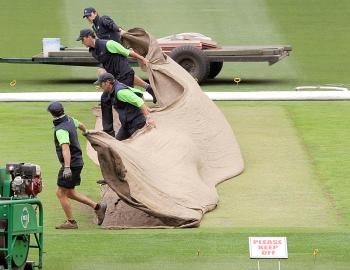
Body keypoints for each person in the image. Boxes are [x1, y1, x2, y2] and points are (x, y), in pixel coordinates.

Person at [76, 28, 156, 136]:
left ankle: (143, 119)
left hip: (125, 74)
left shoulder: (109, 44)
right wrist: (102, 82)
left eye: (82, 40)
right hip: (114, 78)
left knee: (125, 98)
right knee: (105, 98)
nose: (82, 42)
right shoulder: (93, 51)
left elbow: (127, 52)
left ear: (89, 37)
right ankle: (109, 130)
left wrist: (142, 58)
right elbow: (105, 64)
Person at [47, 101, 107, 229]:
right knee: (69, 192)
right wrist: (86, 132)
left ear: (52, 114)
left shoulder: (61, 130)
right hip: (77, 162)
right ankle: (98, 207)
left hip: (71, 164)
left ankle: (71, 222)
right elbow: (81, 124)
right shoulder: (69, 119)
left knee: (60, 193)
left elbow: (65, 148)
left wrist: (67, 167)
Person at [94, 72, 156, 140]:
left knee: (137, 145)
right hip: (126, 125)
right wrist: (146, 107)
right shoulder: (115, 88)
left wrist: (149, 117)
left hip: (137, 124)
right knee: (116, 144)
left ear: (108, 82)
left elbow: (139, 101)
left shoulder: (120, 92)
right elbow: (139, 93)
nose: (100, 86)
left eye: (101, 83)